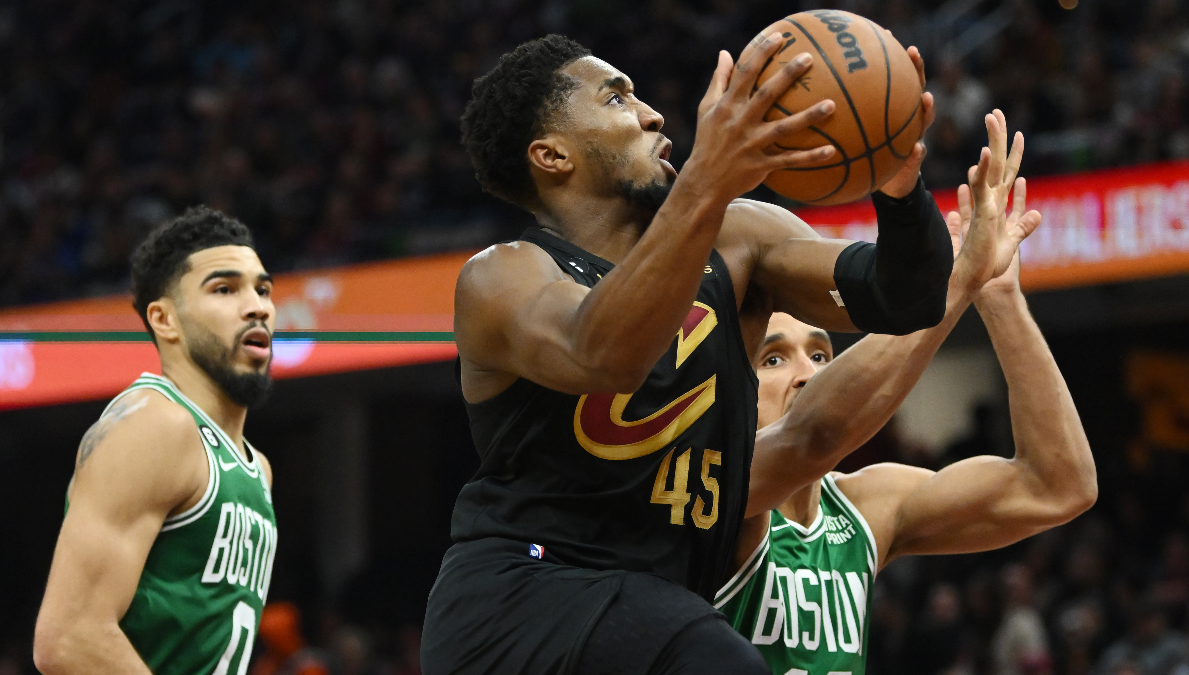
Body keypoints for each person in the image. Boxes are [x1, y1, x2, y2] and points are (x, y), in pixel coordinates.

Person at [422, 28, 972, 674]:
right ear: (552, 155)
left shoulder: (739, 238)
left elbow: (908, 297)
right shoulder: (502, 276)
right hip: (521, 601)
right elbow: (604, 353)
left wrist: (900, 191)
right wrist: (707, 181)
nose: (653, 114)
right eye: (616, 98)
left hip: (656, 610)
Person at [715, 112, 1098, 675]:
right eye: (774, 358)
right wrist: (956, 281)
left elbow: (1058, 486)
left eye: (820, 354)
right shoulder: (714, 486)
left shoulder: (865, 508)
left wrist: (999, 298)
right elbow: (816, 434)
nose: (808, 374)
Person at [33, 207, 279, 675]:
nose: (258, 307)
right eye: (224, 289)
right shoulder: (156, 426)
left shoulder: (256, 467)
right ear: (165, 320)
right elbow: (69, 638)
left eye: (262, 289)